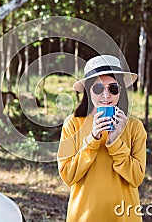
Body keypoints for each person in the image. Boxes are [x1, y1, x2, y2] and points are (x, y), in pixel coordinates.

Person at [57, 55, 147, 222]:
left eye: (113, 88)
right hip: (84, 217)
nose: (106, 95)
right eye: (98, 88)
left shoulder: (134, 126)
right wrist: (92, 139)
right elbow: (68, 176)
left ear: (120, 90)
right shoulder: (73, 124)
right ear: (88, 91)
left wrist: (115, 142)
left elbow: (136, 178)